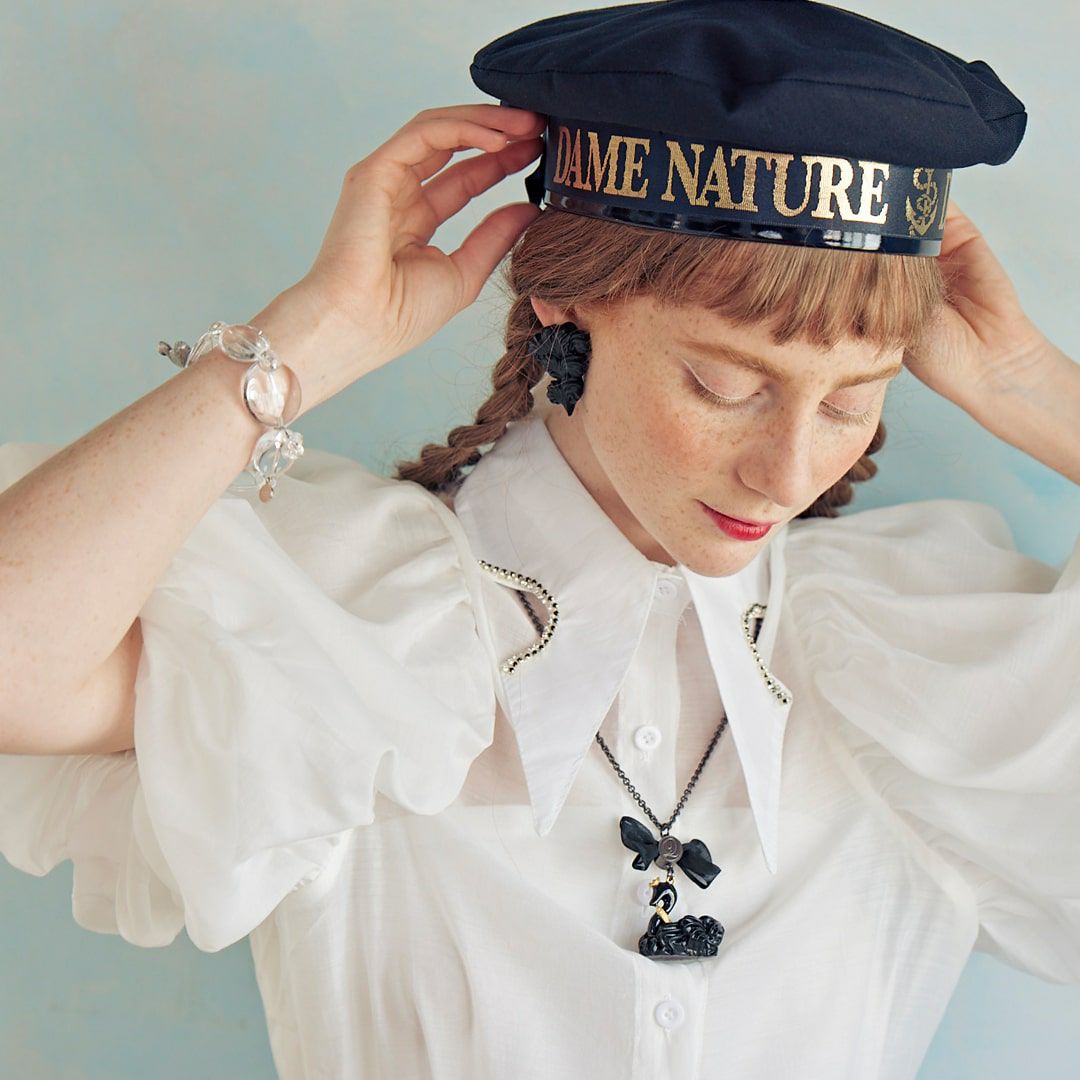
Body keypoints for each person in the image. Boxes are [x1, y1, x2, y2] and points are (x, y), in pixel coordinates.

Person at [0, 1, 1077, 1077]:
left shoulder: (921, 660)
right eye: (723, 384)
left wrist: (1037, 389)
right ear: (564, 303)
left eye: (851, 402)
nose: (789, 473)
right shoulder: (344, 622)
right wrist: (311, 338)